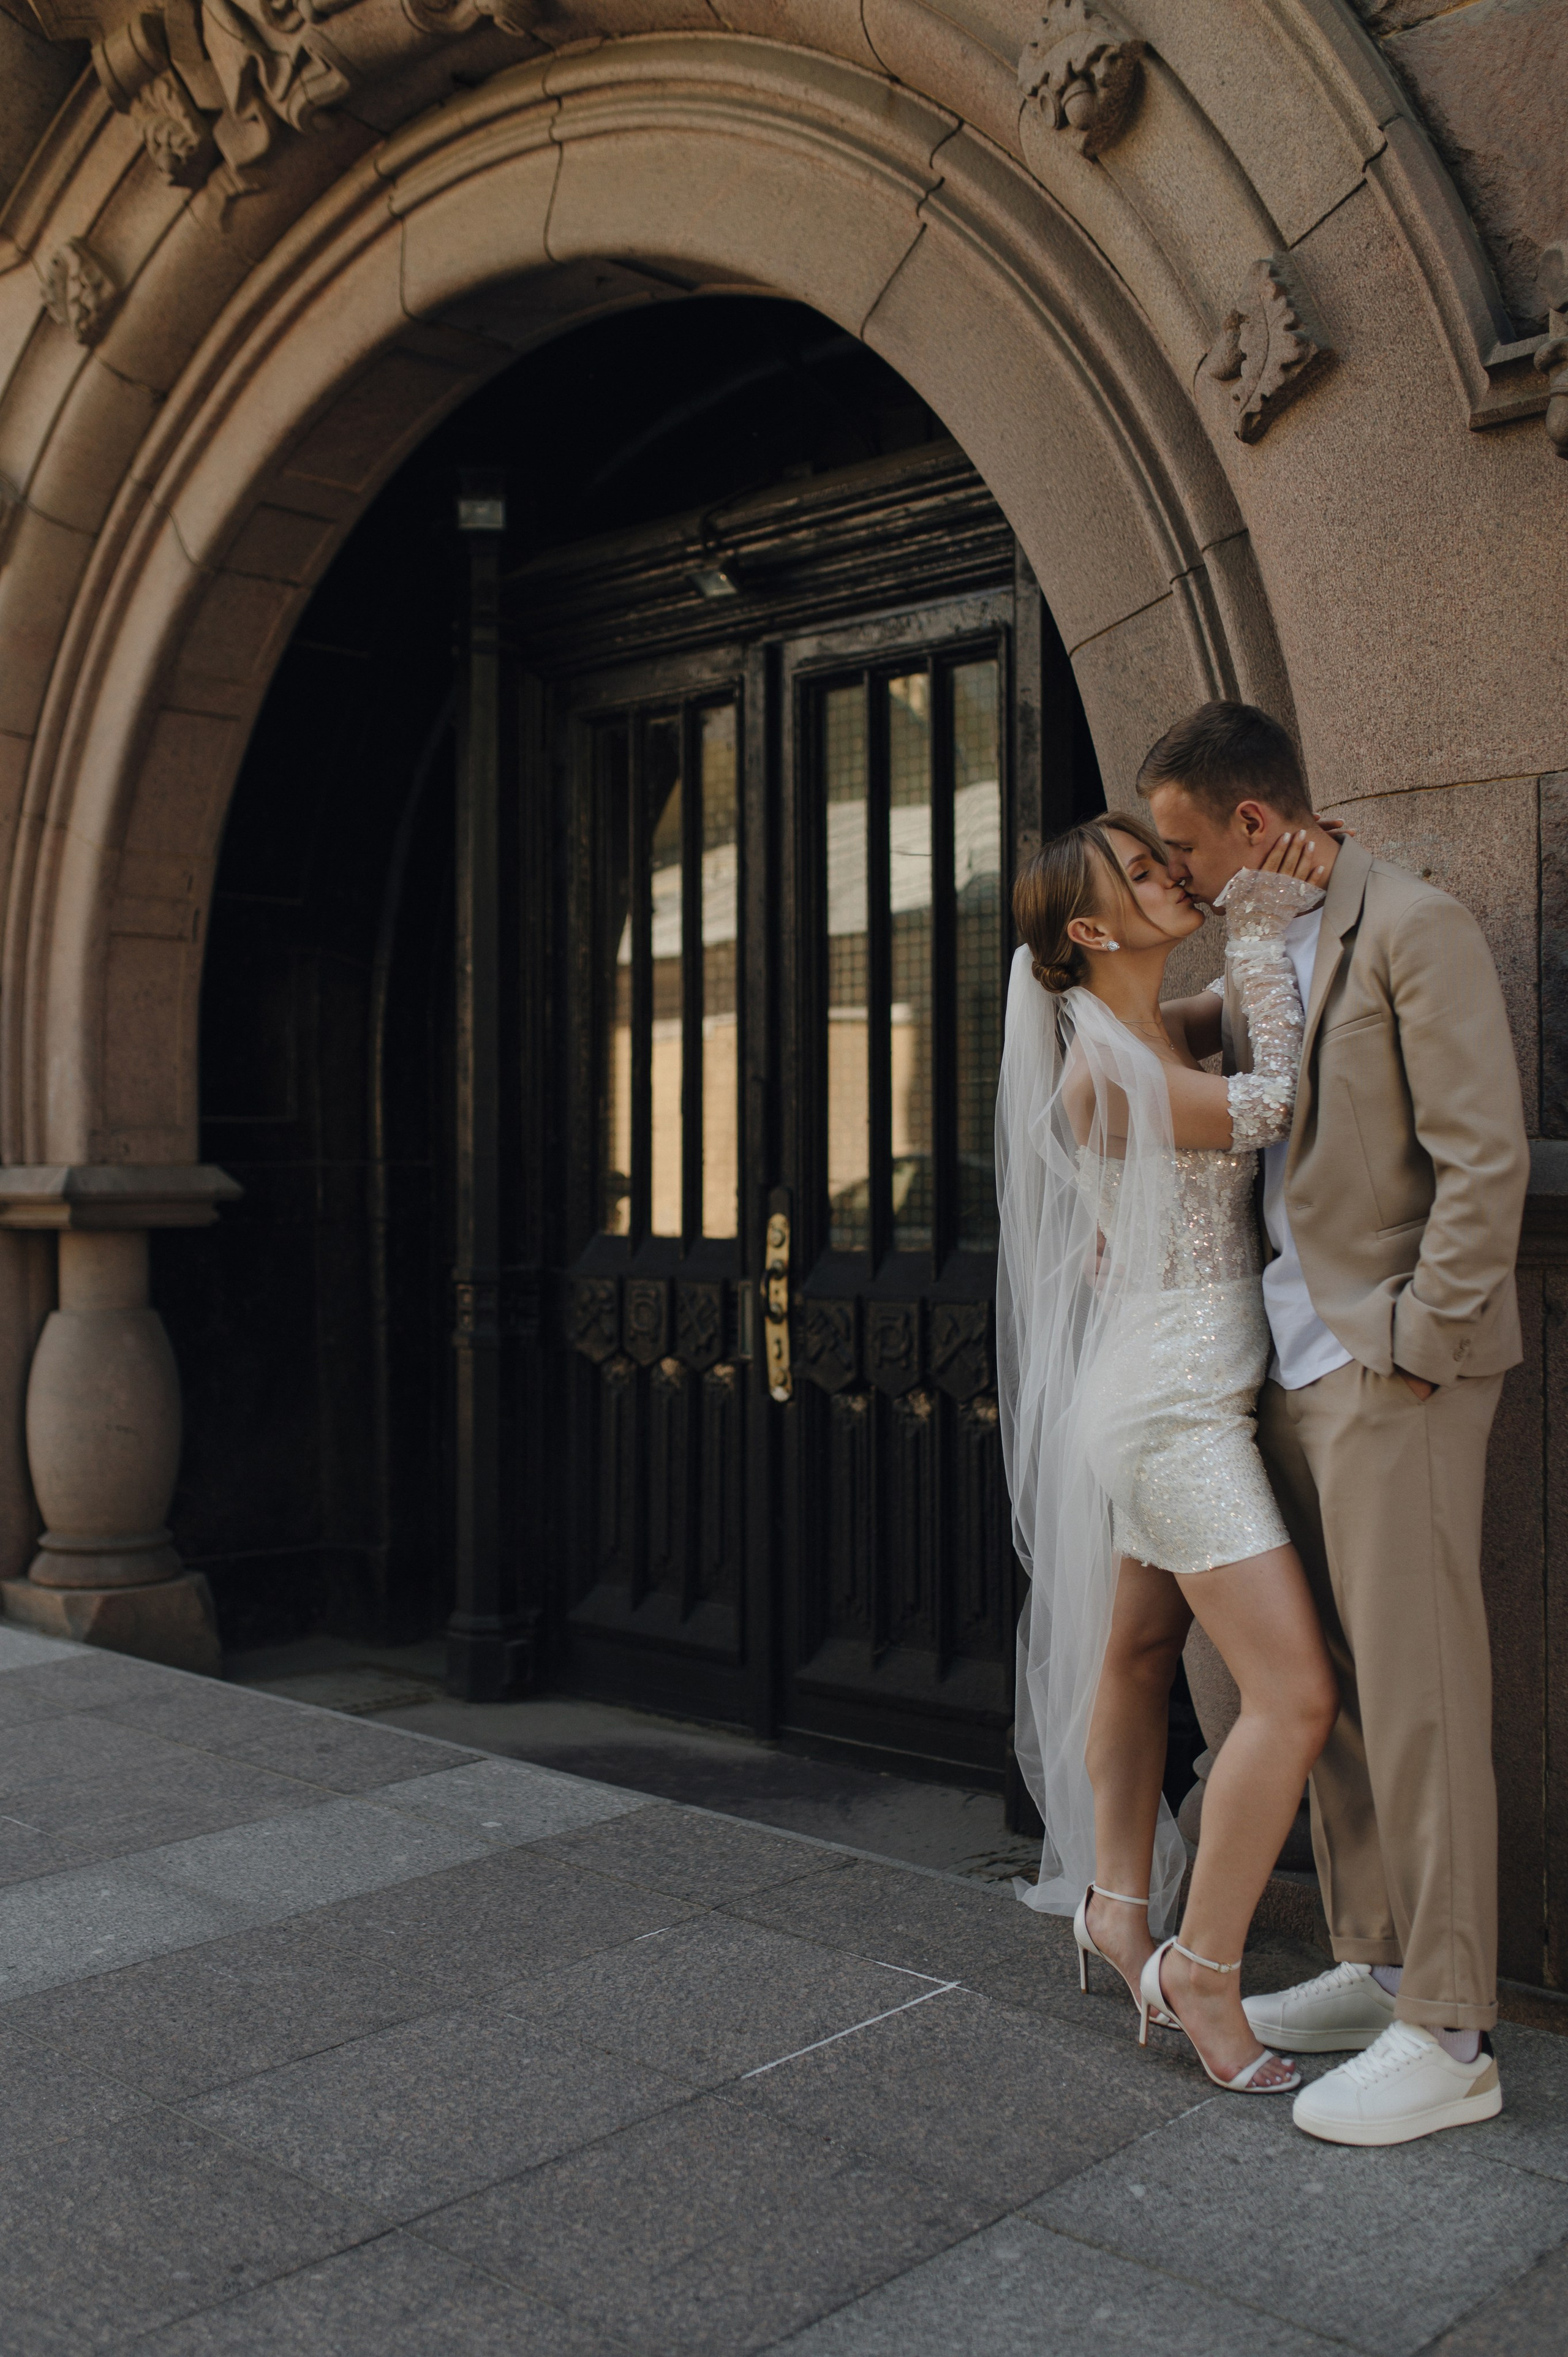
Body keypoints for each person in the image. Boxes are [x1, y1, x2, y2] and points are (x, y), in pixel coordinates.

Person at [1141, 701, 1529, 2148]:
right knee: (1341, 1696)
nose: (1171, 878)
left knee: (1421, 1700)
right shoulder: (1254, 948)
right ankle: (1375, 1962)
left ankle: (1451, 2028)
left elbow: (1479, 1155)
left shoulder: (1412, 927)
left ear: (1252, 823)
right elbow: (1134, 1037)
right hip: (1284, 1377)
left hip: (1387, 1376)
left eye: (1182, 846)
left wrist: (1416, 1347)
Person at [999, 807, 1340, 2095]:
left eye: (1164, 858)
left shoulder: (1148, 1027)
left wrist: (1266, 916)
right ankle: (1201, 1963)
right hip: (1172, 1409)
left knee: (1138, 1652)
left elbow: (1223, 1028)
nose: (1170, 878)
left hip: (1172, 1385)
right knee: (1292, 1695)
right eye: (1141, 875)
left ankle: (1112, 1905)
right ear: (1088, 928)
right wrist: (1262, 922)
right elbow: (1271, 1098)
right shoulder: (1096, 1069)